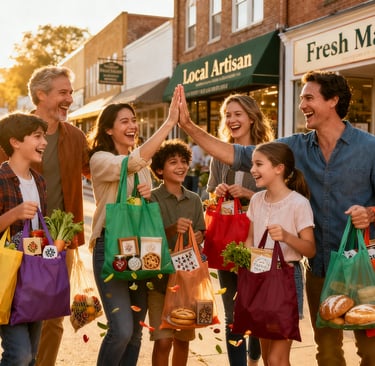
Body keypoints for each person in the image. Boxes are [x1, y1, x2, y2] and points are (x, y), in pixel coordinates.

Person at [177, 71, 375, 365]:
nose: (302, 105)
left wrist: (370, 212)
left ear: (333, 100)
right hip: (320, 268)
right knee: (328, 351)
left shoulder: (369, 148)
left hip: (363, 267)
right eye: (300, 98)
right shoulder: (295, 147)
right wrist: (189, 127)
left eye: (309, 97)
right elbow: (239, 154)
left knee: (370, 350)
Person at [87, 85, 181, 366]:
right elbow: (132, 161)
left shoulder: (143, 171)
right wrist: (168, 123)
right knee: (121, 329)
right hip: (110, 248)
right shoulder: (100, 160)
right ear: (108, 130)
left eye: (133, 120)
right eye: (124, 121)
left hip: (141, 251)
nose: (132, 125)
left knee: (136, 333)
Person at [21, 66, 90, 366]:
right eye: (63, 93)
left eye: (71, 93)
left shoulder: (75, 137)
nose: (70, 99)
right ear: (41, 95)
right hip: (19, 238)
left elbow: (99, 171)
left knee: (53, 317)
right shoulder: (11, 132)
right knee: (16, 309)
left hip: (60, 241)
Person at [206, 94, 274, 366]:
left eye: (238, 114)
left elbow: (278, 196)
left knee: (256, 309)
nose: (232, 120)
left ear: (252, 117)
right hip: (226, 241)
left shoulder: (268, 153)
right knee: (233, 314)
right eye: (228, 115)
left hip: (258, 242)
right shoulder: (220, 156)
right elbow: (209, 195)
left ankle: (254, 358)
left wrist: (249, 193)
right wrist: (217, 192)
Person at [244, 141, 315, 366]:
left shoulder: (298, 204)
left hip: (286, 281)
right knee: (267, 357)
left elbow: (310, 249)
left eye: (258, 164)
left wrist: (286, 236)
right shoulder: (256, 200)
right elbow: (250, 239)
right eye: (252, 164)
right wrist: (245, 257)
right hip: (260, 278)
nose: (252, 169)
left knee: (276, 359)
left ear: (278, 168)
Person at [148, 138, 206, 366]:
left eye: (184, 161)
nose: (180, 166)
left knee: (182, 341)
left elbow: (201, 231)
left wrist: (200, 236)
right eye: (173, 162)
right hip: (159, 281)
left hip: (187, 282)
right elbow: (149, 238)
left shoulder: (194, 199)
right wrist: (172, 229)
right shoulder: (152, 198)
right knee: (163, 341)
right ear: (160, 170)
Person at [0, 113, 48, 365]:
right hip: (7, 280)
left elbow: (43, 231)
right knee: (19, 355)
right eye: (38, 137)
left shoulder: (39, 182)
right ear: (15, 142)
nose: (45, 142)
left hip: (35, 278)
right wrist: (14, 214)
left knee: (32, 356)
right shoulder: (0, 180)